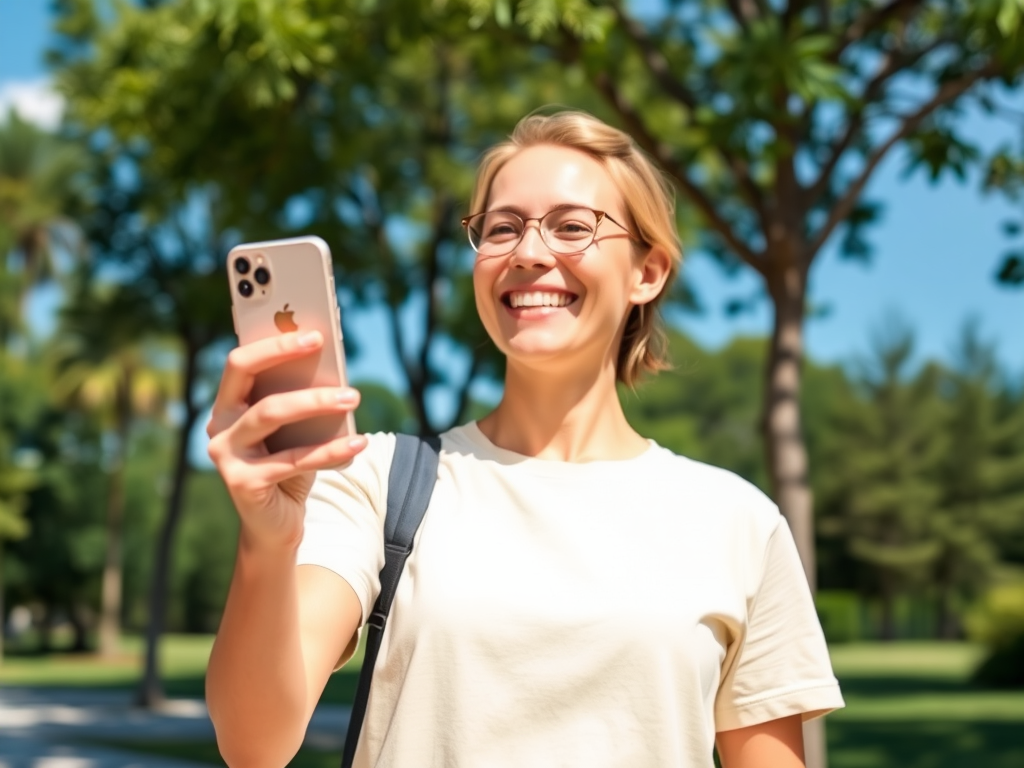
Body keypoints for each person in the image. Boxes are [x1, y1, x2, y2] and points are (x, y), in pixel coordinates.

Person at [204, 110, 844, 768]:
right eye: (502, 228)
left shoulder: (737, 521)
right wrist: (267, 540)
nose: (529, 253)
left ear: (646, 272)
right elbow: (254, 745)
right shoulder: (374, 480)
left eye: (573, 226)